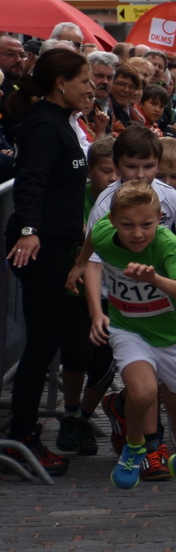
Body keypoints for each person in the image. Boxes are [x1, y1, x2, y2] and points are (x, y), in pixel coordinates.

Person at [85, 181, 176, 512]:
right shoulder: (102, 231)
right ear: (112, 220)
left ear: (159, 218)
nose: (136, 234)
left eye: (146, 225)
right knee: (142, 392)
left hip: (171, 335)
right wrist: (95, 307)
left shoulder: (169, 247)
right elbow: (90, 251)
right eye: (127, 226)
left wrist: (154, 280)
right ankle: (134, 446)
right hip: (128, 327)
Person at [1, 48, 94, 474]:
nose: (90, 87)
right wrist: (28, 231)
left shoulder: (62, 123)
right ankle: (22, 433)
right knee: (41, 342)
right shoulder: (43, 127)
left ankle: (25, 431)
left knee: (49, 339)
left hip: (59, 245)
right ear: (61, 83)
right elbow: (30, 184)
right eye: (84, 80)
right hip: (41, 247)